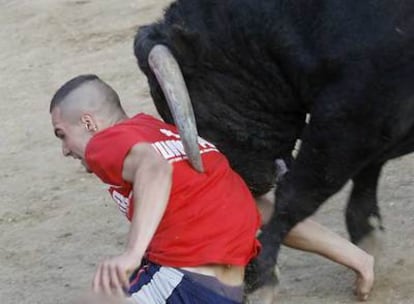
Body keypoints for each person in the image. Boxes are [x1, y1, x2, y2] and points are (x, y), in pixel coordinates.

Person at [50, 74, 374, 303]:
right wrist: (355, 257)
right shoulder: (164, 133)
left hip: (187, 284)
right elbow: (257, 207)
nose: (65, 150)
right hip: (227, 288)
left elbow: (154, 168)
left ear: (89, 123)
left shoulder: (105, 144)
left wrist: (132, 253)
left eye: (62, 134)